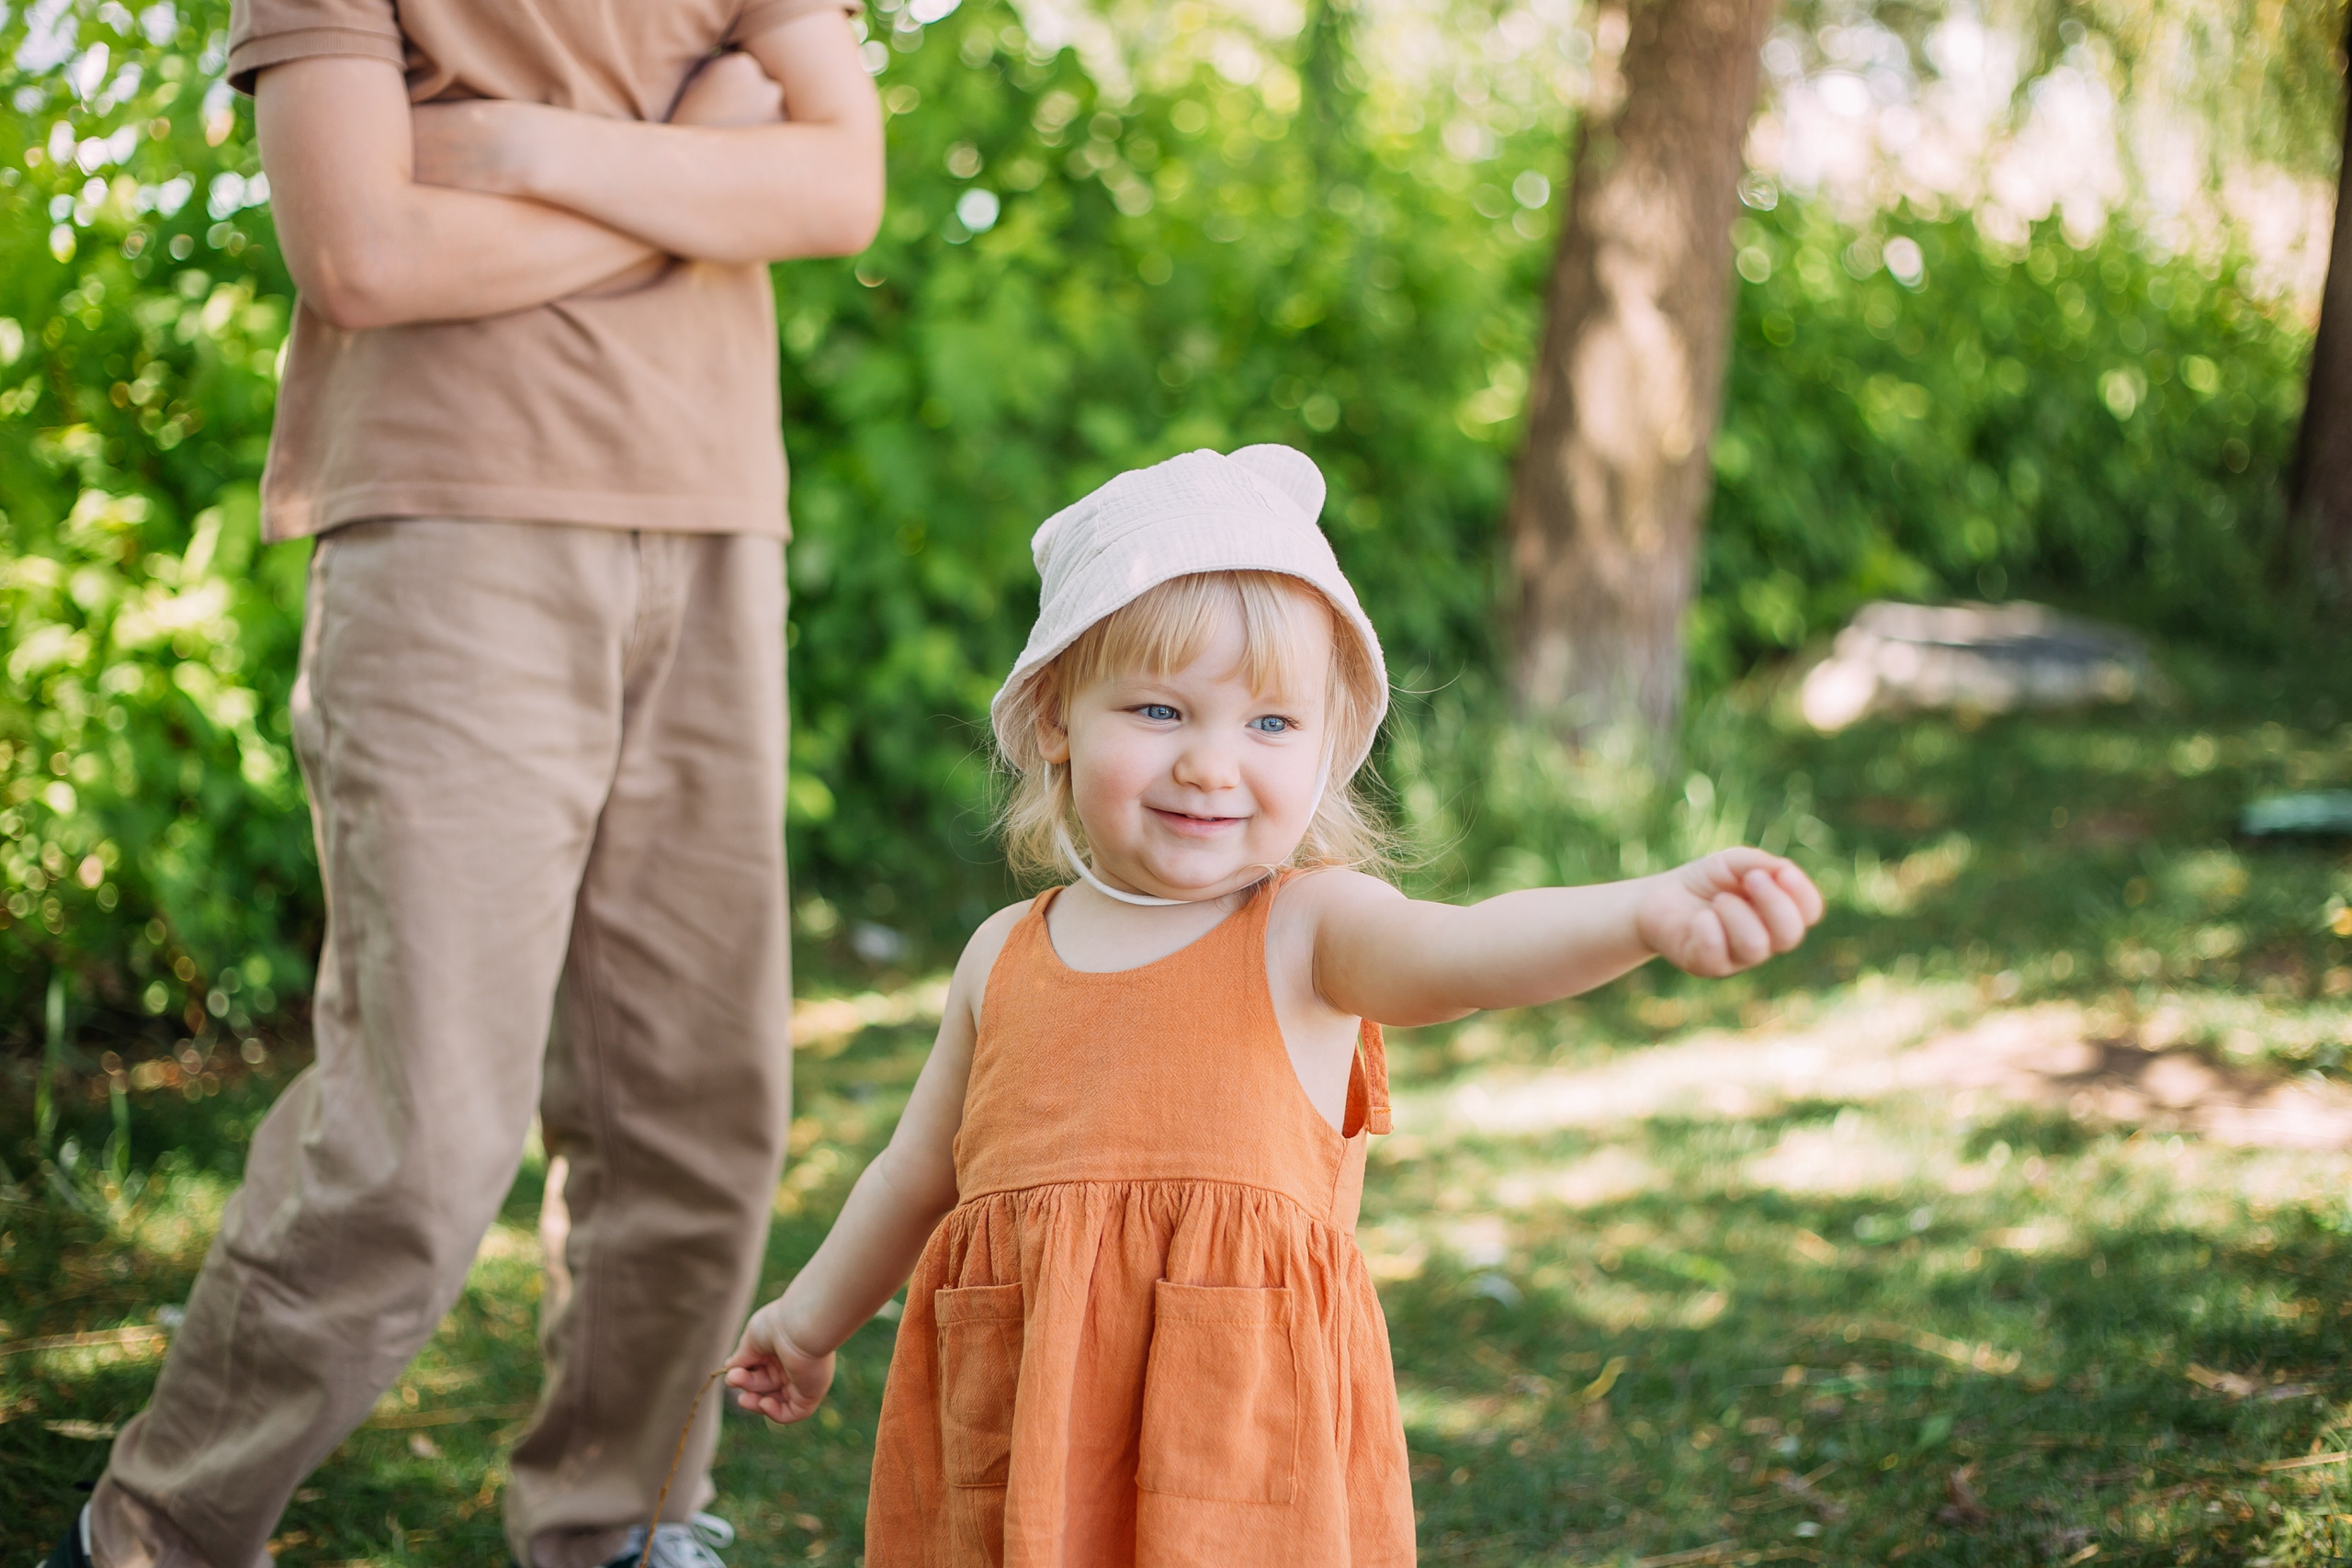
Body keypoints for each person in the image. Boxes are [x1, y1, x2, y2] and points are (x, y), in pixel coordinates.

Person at [55, 3, 883, 1567]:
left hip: (711, 522)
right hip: (448, 521)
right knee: (418, 1137)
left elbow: (837, 190)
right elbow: (360, 255)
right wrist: (679, 184)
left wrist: (505, 151)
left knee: (697, 1109)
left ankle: (621, 1526)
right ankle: (149, 1538)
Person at [719, 444, 1825, 1565]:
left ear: (1328, 749)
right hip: (1026, 1434)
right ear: (1056, 719)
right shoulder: (1002, 954)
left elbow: (1471, 948)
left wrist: (1639, 914)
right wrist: (807, 1326)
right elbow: (916, 1174)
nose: (1210, 764)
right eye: (1159, 710)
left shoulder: (1309, 930)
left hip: (1237, 1457)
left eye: (1269, 725)